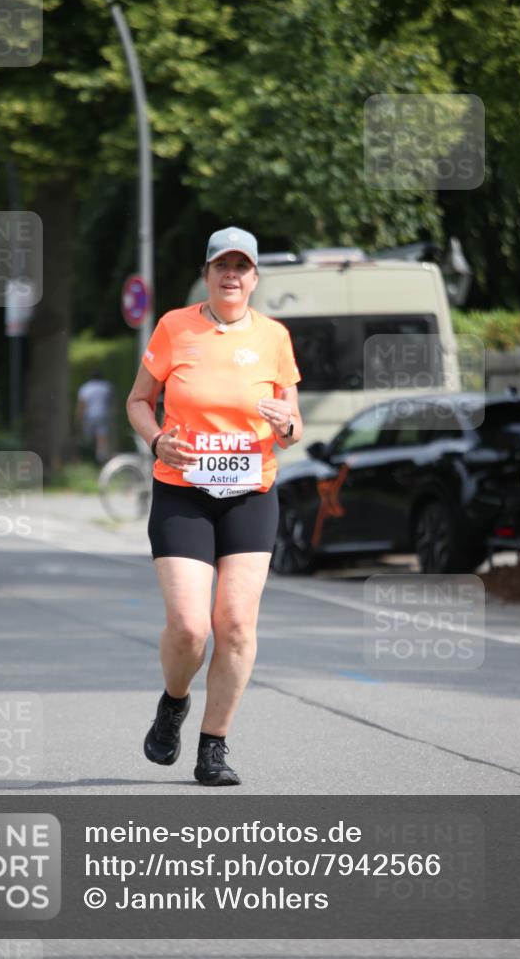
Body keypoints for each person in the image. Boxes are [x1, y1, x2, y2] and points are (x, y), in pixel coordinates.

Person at [126, 226, 302, 786]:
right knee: (188, 627)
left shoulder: (275, 337)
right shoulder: (175, 327)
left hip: (251, 493)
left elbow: (293, 424)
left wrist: (287, 424)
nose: (232, 275)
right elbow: (137, 402)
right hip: (183, 490)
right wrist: (156, 440)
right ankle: (174, 702)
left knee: (237, 626)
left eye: (242, 267)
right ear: (207, 273)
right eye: (222, 265)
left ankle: (214, 746)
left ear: (254, 277)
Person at [76, 371, 114, 463]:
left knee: (88, 436)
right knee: (101, 436)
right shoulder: (106, 387)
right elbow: (110, 402)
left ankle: (89, 456)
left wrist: (79, 418)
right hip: (103, 414)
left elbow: (82, 404)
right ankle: (100, 457)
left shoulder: (85, 388)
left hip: (89, 415)